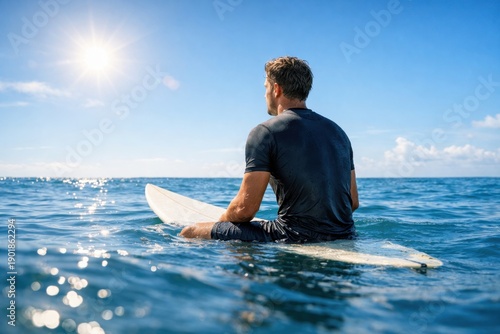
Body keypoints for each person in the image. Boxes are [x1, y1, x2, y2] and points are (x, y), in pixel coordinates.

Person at [180, 56, 359, 243]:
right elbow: (352, 202)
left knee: (190, 231)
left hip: (293, 237)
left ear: (276, 89)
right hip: (346, 235)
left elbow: (244, 210)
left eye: (265, 87)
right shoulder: (339, 134)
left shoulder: (265, 132)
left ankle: (241, 272)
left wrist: (220, 223)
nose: (264, 94)